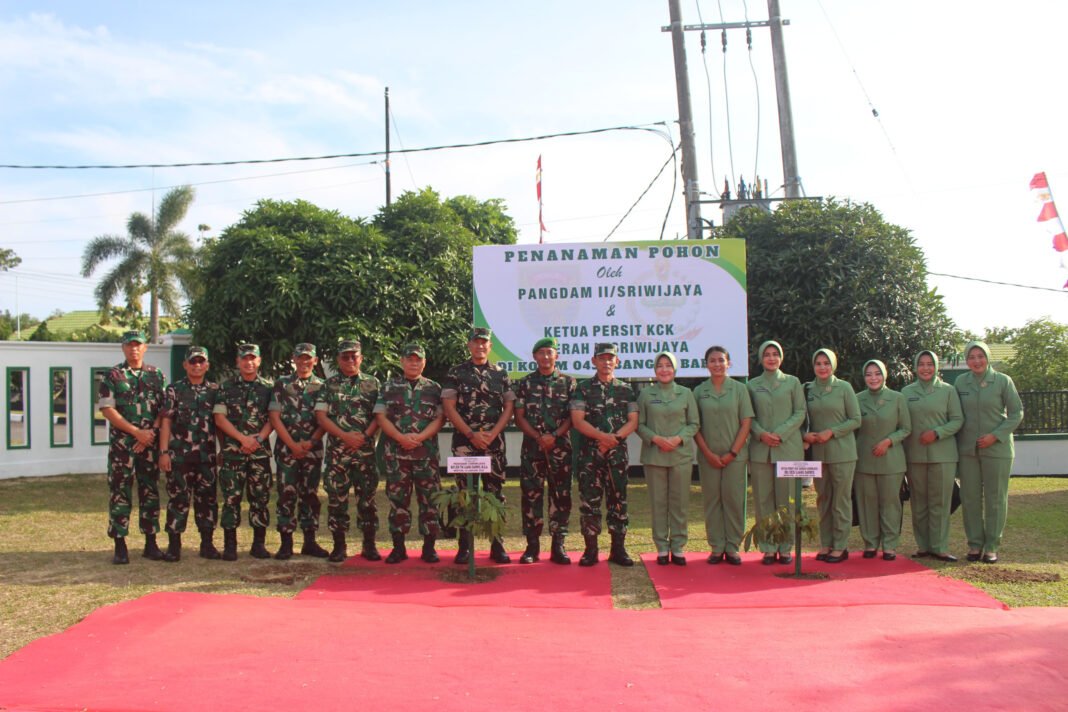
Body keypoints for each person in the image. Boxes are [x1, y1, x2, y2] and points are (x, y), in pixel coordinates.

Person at [442, 327, 516, 565]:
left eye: (484, 343)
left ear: (490, 346)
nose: (480, 346)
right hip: (465, 443)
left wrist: (493, 433)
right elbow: (449, 407)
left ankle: (497, 545)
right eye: (476, 342)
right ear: (469, 345)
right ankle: (465, 547)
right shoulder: (456, 373)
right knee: (465, 495)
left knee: (495, 493)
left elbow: (509, 407)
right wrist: (470, 433)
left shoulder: (501, 374)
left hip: (494, 443)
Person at [97, 329, 168, 564]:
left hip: (149, 444)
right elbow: (108, 410)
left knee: (150, 492)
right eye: (129, 345)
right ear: (123, 348)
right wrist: (136, 433)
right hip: (123, 447)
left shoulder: (156, 375)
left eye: (138, 345)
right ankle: (120, 545)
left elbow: (163, 410)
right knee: (120, 492)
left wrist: (150, 434)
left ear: (145, 347)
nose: (134, 349)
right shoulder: (113, 376)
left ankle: (151, 543)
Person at [374, 343, 446, 564]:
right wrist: (400, 438)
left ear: (424, 362)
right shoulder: (388, 387)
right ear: (402, 361)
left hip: (427, 456)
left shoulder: (434, 388)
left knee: (430, 501)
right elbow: (381, 417)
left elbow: (440, 418)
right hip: (397, 456)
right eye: (410, 359)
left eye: (418, 359)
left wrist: (420, 438)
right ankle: (398, 548)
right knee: (398, 502)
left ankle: (429, 548)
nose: (414, 363)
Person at [570, 343, 639, 567]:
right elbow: (578, 420)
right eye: (602, 358)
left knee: (618, 501)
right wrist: (603, 438)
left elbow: (633, 421)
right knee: (590, 502)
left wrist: (613, 440)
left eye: (611, 358)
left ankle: (618, 550)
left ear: (617, 361)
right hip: (590, 456)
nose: (606, 362)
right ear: (594, 361)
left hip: (617, 455)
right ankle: (590, 551)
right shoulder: (582, 388)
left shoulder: (626, 390)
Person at [955, 340, 1023, 564]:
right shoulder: (960, 382)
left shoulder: (1003, 381)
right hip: (968, 451)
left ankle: (992, 546)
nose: (976, 361)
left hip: (998, 449)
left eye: (980, 356)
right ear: (966, 360)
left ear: (988, 357)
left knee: (995, 499)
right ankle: (975, 545)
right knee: (971, 498)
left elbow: (1016, 413)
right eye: (971, 357)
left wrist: (995, 435)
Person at [315, 339, 382, 563]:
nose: (350, 360)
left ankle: (369, 545)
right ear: (338, 360)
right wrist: (345, 437)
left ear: (361, 358)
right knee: (337, 500)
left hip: (365, 453)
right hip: (338, 454)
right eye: (345, 356)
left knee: (367, 500)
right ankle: (339, 546)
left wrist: (364, 436)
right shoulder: (328, 385)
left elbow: (379, 416)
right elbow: (321, 416)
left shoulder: (373, 384)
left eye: (354, 356)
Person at [513, 337, 576, 564]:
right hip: (532, 448)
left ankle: (558, 546)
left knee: (561, 496)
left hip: (560, 449)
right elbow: (519, 418)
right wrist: (539, 437)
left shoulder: (569, 383)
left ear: (556, 356)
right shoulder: (524, 384)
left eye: (550, 352)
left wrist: (555, 435)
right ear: (534, 357)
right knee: (531, 496)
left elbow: (573, 417)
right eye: (541, 353)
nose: (546, 357)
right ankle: (532, 547)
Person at [213, 343, 275, 561]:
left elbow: (273, 419)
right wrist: (242, 439)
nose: (248, 362)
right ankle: (230, 546)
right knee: (231, 499)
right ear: (237, 362)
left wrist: (257, 439)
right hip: (233, 453)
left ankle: (258, 545)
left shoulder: (269, 388)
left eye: (252, 358)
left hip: (259, 453)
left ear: (259, 361)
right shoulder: (225, 388)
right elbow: (219, 418)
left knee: (260, 498)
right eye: (244, 358)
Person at [158, 346, 221, 562]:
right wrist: (164, 452)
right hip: (180, 457)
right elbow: (166, 422)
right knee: (178, 500)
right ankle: (174, 546)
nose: (197, 366)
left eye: (200, 362)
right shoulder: (174, 390)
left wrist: (221, 451)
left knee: (208, 500)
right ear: (185, 365)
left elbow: (220, 424)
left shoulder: (214, 391)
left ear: (207, 365)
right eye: (192, 362)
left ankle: (207, 544)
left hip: (207, 458)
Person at [746, 340, 805, 565]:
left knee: (785, 500)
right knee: (763, 500)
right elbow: (748, 416)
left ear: (781, 357)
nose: (771, 358)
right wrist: (761, 434)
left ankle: (785, 546)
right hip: (761, 450)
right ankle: (768, 547)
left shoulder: (792, 382)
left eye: (775, 354)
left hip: (787, 448)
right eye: (767, 354)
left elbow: (800, 412)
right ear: (761, 358)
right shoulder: (752, 385)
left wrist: (779, 433)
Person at [637, 351, 699, 565]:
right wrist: (655, 439)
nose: (664, 369)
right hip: (654, 455)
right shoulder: (646, 395)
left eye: (668, 365)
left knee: (679, 503)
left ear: (675, 369)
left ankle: (678, 545)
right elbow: (639, 424)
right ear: (655, 370)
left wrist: (677, 439)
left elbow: (694, 423)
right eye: (660, 365)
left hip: (680, 455)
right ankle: (662, 547)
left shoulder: (686, 393)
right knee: (658, 503)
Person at [694, 346, 754, 566]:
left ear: (729, 363)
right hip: (708, 457)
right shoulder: (699, 391)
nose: (717, 364)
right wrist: (708, 453)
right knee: (712, 501)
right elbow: (695, 426)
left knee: (734, 501)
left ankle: (732, 547)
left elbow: (746, 422)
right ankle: (717, 547)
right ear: (706, 364)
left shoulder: (739, 389)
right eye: (712, 360)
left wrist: (733, 452)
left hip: (735, 457)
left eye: (721, 360)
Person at [902, 350, 963, 562]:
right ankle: (923, 546)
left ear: (936, 367)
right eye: (921, 364)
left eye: (930, 364)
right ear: (915, 367)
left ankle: (940, 546)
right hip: (915, 456)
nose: (926, 368)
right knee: (919, 502)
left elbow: (957, 420)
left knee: (940, 502)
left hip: (943, 455)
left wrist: (937, 433)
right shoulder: (906, 392)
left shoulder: (948, 391)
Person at [269, 343, 328, 560]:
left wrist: (311, 442)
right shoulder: (282, 384)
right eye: (300, 358)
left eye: (308, 358)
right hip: (287, 450)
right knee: (286, 494)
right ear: (293, 359)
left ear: (316, 360)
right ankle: (286, 543)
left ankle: (310, 542)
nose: (304, 362)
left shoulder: (323, 386)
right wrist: (293, 445)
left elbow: (325, 419)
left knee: (310, 495)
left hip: (312, 450)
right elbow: (274, 417)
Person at [804, 348, 861, 564]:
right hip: (819, 453)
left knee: (841, 500)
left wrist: (832, 432)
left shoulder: (844, 387)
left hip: (843, 453)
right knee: (823, 500)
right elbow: (802, 418)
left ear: (833, 365)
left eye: (826, 363)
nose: (822, 367)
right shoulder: (807, 389)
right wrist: (806, 435)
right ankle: (826, 544)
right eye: (818, 363)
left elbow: (855, 419)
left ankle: (840, 546)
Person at [854, 359, 911, 561]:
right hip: (864, 460)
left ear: (884, 375)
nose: (873, 378)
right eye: (868, 374)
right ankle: (870, 543)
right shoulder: (857, 398)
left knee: (890, 504)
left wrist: (888, 441)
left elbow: (905, 428)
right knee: (866, 503)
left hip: (891, 460)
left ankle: (889, 545)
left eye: (877, 373)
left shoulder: (897, 398)